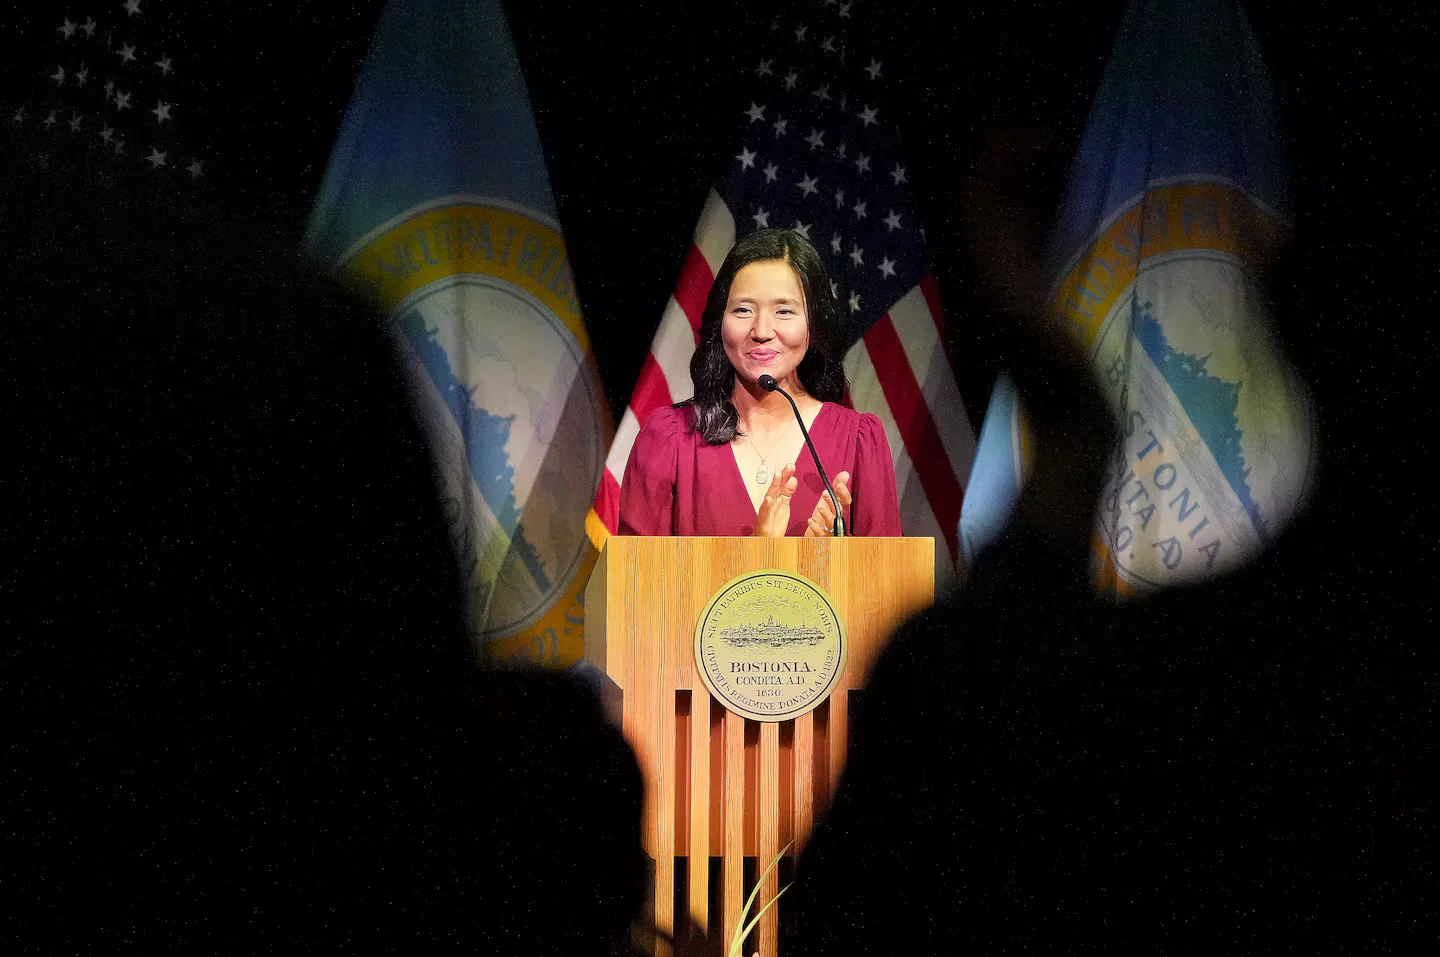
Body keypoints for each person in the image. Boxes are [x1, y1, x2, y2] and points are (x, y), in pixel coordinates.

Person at [618, 229, 902, 538]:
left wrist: (835, 562)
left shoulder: (859, 442)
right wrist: (760, 555)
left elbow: (888, 569)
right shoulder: (669, 440)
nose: (762, 331)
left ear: (814, 323)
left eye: (784, 311)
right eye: (743, 310)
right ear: (720, 321)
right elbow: (636, 569)